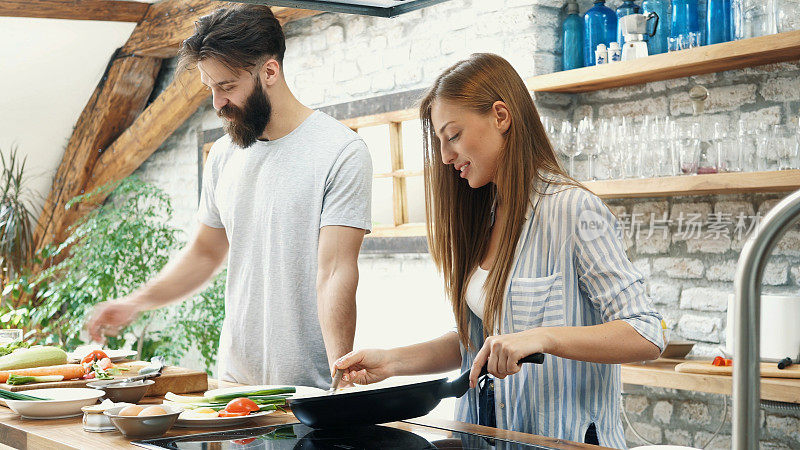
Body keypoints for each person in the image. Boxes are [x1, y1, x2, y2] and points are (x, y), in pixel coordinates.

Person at [334, 53, 663, 448]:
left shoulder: (572, 210)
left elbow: (646, 332)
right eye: (440, 142)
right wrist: (392, 362)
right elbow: (477, 343)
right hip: (488, 437)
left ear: (501, 116)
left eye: (453, 136)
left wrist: (544, 338)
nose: (444, 156)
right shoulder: (486, 214)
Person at [87, 5, 372, 390]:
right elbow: (205, 252)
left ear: (269, 72)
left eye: (227, 86)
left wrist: (342, 378)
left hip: (311, 391)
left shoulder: (341, 151)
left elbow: (335, 271)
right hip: (234, 388)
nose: (217, 103)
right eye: (210, 87)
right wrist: (136, 302)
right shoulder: (224, 155)